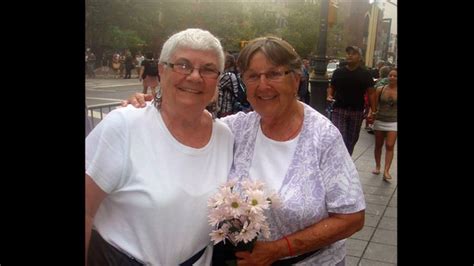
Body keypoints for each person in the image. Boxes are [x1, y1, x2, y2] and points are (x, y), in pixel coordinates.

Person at [126, 36, 365, 265]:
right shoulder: (236, 129)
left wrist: (277, 250)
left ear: (295, 80)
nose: (263, 85)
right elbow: (186, 119)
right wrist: (150, 105)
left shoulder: (323, 136)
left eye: (273, 74)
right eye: (252, 76)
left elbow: (351, 217)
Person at [85, 28, 234, 265]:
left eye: (207, 69)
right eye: (183, 65)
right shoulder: (125, 125)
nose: (195, 76)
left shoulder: (225, 136)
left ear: (218, 78)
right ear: (162, 70)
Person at [327, 46, 376, 155]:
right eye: (348, 53)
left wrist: (373, 111)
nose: (350, 55)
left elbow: (371, 92)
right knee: (340, 137)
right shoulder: (338, 72)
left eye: (353, 53)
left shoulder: (365, 74)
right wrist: (329, 95)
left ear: (360, 57)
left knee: (352, 139)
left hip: (357, 111)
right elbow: (331, 86)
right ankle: (339, 161)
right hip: (339, 109)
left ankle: (347, 160)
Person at [372, 68, 397, 181]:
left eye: (395, 76)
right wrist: (371, 113)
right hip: (380, 119)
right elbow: (374, 105)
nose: (392, 77)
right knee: (378, 145)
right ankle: (378, 166)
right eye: (390, 75)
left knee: (390, 145)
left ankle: (386, 171)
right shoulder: (380, 89)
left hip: (394, 121)